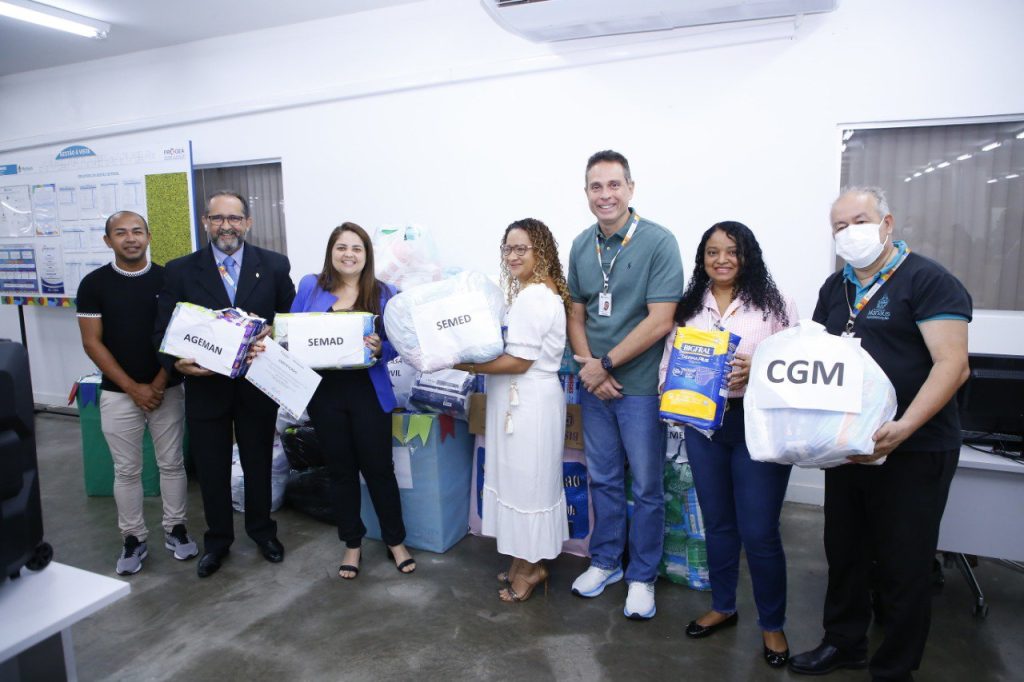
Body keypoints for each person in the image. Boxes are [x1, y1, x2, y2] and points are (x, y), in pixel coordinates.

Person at [790, 187, 971, 681]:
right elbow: (820, 358)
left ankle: (894, 668)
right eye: (839, 226)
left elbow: (953, 365)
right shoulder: (836, 287)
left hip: (915, 446)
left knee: (903, 563)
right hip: (850, 446)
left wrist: (905, 426)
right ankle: (843, 642)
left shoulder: (928, 280)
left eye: (860, 221)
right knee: (844, 551)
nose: (850, 233)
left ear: (887, 224)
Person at [659, 221, 798, 667]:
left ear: (747, 256)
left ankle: (772, 625)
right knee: (718, 525)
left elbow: (795, 367)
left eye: (732, 251)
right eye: (712, 252)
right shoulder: (688, 308)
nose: (722, 260)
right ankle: (723, 606)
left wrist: (757, 368)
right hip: (705, 430)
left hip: (758, 426)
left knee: (759, 531)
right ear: (702, 258)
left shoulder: (775, 305)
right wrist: (673, 392)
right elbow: (668, 366)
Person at [566, 150, 684, 619]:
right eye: (596, 186)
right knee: (603, 478)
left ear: (630, 188)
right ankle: (606, 562)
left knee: (648, 486)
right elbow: (576, 315)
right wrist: (590, 369)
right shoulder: (581, 245)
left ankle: (642, 576)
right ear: (586, 193)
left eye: (614, 184)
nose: (605, 195)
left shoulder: (658, 241)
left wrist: (606, 364)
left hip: (639, 388)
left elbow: (661, 320)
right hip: (595, 386)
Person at [154, 190, 295, 578]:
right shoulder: (180, 270)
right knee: (212, 469)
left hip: (257, 385)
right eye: (217, 218)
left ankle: (263, 532)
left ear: (247, 222)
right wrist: (177, 363)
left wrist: (275, 333)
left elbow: (290, 319)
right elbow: (162, 331)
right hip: (205, 389)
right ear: (205, 223)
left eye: (234, 218)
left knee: (258, 464)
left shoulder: (274, 265)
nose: (226, 226)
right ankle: (217, 541)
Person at [453, 218, 571, 602]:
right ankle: (524, 559)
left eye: (522, 248)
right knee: (523, 484)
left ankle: (533, 568)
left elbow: (519, 361)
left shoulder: (535, 296)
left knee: (528, 487)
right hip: (523, 400)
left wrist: (465, 364)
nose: (513, 256)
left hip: (528, 402)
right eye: (508, 248)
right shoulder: (533, 291)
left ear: (541, 251)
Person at [290, 222, 415, 579]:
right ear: (331, 252)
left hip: (368, 391)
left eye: (356, 248)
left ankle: (395, 541)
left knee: (379, 469)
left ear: (366, 254)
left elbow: (398, 343)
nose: (349, 254)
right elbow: (291, 333)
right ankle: (352, 543)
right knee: (340, 471)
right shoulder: (311, 286)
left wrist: (379, 349)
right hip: (325, 394)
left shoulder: (385, 292)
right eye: (341, 247)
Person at [77, 210, 194, 575]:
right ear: (107, 240)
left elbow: (180, 336)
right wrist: (133, 388)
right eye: (121, 232)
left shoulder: (168, 279)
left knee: (172, 463)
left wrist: (157, 383)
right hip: (117, 393)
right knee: (126, 470)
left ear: (148, 236)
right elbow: (92, 343)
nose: (130, 238)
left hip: (167, 389)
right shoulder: (93, 284)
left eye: (137, 231)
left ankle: (176, 529)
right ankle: (133, 538)